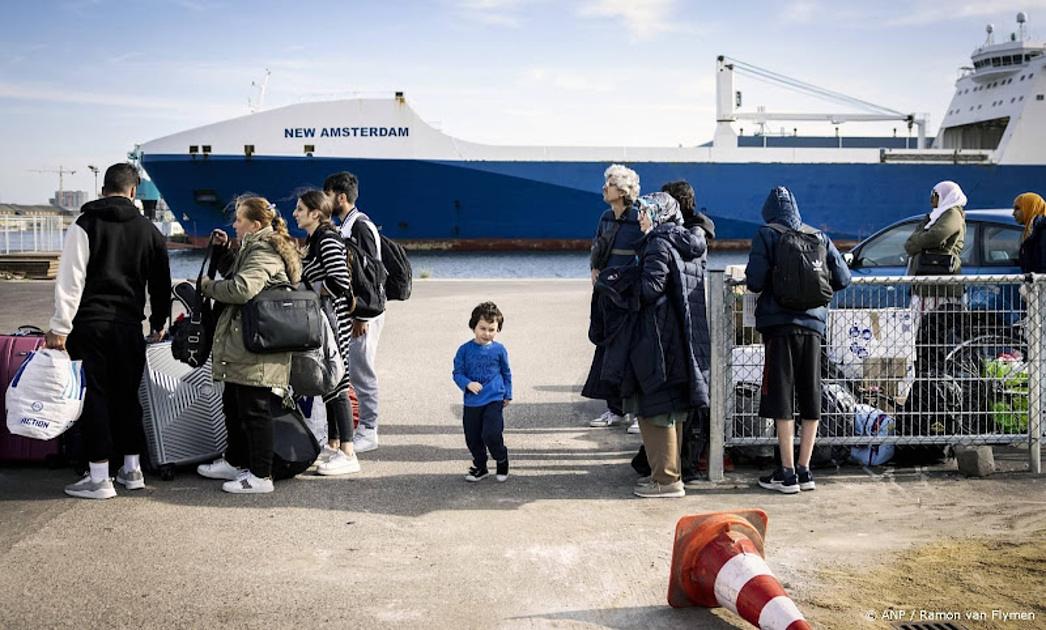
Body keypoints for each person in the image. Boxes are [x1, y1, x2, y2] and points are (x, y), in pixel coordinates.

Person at [45, 163, 171, 500]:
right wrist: (159, 322)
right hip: (130, 325)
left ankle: (99, 476)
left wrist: (59, 327)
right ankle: (133, 470)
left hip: (90, 325)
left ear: (104, 190)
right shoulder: (150, 231)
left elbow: (71, 281)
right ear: (133, 191)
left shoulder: (84, 225)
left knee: (95, 397)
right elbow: (161, 284)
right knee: (128, 396)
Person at [745, 186, 850, 494]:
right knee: (810, 396)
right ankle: (805, 470)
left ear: (768, 212)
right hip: (814, 327)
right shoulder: (818, 236)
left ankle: (786, 473)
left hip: (779, 327)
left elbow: (754, 281)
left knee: (781, 397)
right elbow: (843, 279)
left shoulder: (766, 234)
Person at [195, 196, 301, 494]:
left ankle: (260, 476)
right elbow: (241, 275)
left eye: (239, 220)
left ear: (255, 225)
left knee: (255, 411)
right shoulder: (253, 247)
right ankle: (236, 460)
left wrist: (206, 287)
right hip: (247, 343)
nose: (235, 224)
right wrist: (226, 248)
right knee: (235, 405)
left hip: (257, 346)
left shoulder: (264, 250)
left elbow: (242, 288)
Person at [628, 192, 710, 498]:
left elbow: (650, 290)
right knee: (673, 408)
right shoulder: (688, 243)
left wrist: (621, 283)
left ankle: (666, 480)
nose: (640, 218)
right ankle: (669, 475)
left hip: (659, 336)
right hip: (683, 335)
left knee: (656, 407)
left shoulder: (658, 243)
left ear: (659, 214)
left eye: (644, 212)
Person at [293, 190, 360, 476]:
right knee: (329, 382)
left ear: (315, 214)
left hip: (335, 320)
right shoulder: (315, 239)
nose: (295, 214)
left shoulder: (326, 238)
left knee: (338, 382)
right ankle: (333, 445)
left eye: (300, 209)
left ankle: (348, 451)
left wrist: (313, 296)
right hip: (327, 318)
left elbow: (340, 281)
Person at [660, 180, 716, 486]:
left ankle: (688, 461)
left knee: (692, 391)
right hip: (689, 315)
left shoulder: (692, 233)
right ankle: (683, 459)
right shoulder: (697, 231)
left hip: (687, 317)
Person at [324, 171, 384, 453]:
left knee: (362, 371)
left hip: (364, 313)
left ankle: (369, 430)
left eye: (328, 195)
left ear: (341, 197)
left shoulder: (360, 227)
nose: (325, 201)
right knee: (352, 370)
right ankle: (362, 427)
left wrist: (362, 315)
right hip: (355, 311)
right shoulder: (346, 226)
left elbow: (371, 275)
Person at [588, 164, 643, 433]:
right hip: (606, 295)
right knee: (607, 349)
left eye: (608, 183)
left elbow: (647, 253)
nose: (603, 188)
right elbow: (597, 245)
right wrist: (594, 270)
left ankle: (635, 412)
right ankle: (615, 410)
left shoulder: (639, 217)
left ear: (622, 191)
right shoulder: (605, 217)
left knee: (632, 352)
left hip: (629, 296)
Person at [452, 302, 512, 482]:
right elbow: (457, 373)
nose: (487, 333)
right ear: (474, 327)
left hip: (494, 398)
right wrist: (467, 383)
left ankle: (501, 458)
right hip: (472, 401)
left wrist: (507, 393)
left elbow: (506, 372)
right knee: (472, 437)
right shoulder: (464, 350)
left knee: (491, 433)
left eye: (492, 329)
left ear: (497, 329)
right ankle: (480, 466)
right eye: (483, 328)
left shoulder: (499, 350)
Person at [1013, 192, 1046, 273]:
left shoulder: (1043, 230)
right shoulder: (1031, 231)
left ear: (1030, 207)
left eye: (1017, 208)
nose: (1013, 213)